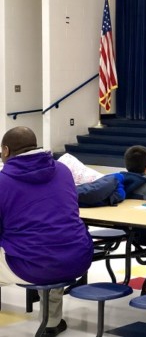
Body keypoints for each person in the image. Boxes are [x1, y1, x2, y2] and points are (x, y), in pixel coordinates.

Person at [0, 126, 94, 337]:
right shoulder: (63, 171)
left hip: (32, 265)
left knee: (37, 252)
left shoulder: (3, 181)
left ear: (5, 150)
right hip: (76, 258)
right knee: (52, 245)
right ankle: (52, 322)